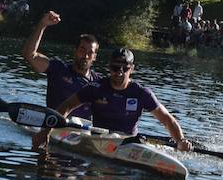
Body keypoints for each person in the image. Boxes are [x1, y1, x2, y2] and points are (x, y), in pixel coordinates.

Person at [35, 48, 191, 151]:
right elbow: (66, 106)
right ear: (109, 67)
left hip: (128, 145)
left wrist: (181, 140)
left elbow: (167, 120)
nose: (120, 72)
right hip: (97, 141)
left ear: (132, 69)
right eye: (116, 68)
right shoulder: (95, 88)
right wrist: (47, 130)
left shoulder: (142, 93)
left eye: (125, 68)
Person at [22, 9, 99, 117]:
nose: (86, 56)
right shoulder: (58, 69)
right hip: (54, 125)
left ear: (94, 57)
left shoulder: (98, 83)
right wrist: (42, 25)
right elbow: (29, 54)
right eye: (82, 50)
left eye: (90, 53)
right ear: (75, 51)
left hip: (81, 131)